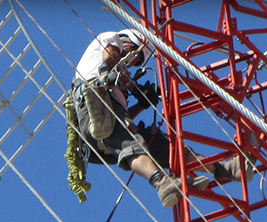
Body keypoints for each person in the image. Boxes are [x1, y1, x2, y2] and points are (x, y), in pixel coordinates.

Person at [69, 29, 250, 208]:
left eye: (137, 61)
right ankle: (162, 183)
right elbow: (111, 57)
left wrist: (141, 103)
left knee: (163, 146)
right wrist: (134, 88)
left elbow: (123, 120)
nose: (132, 61)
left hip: (101, 128)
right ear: (128, 40)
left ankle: (222, 169)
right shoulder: (109, 38)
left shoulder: (115, 89)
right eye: (134, 53)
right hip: (93, 104)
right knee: (132, 145)